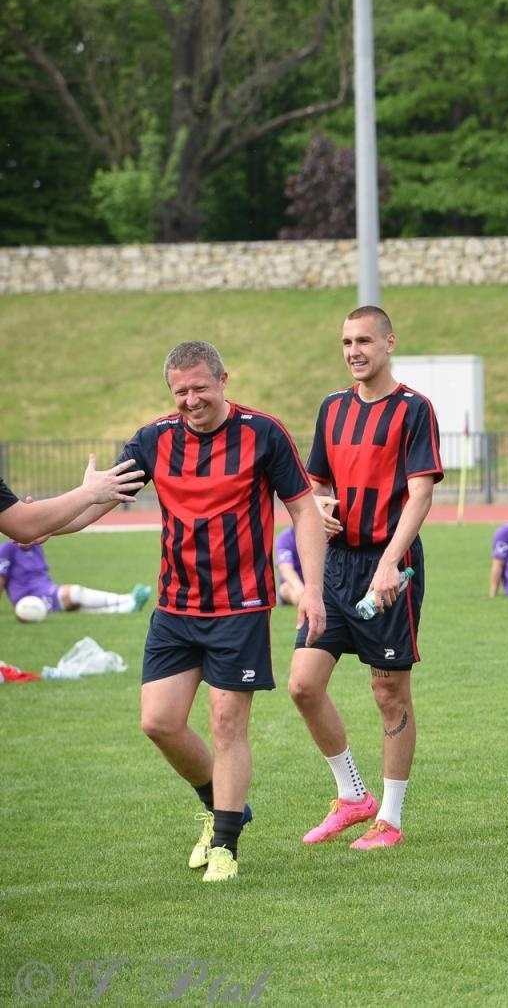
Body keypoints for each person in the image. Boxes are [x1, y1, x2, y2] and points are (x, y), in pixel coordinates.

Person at [56, 340, 328, 882]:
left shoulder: (263, 433)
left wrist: (313, 589)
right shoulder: (153, 440)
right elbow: (98, 500)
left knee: (227, 723)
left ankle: (225, 843)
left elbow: (303, 509)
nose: (191, 400)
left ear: (224, 379)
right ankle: (222, 804)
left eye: (201, 387)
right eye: (180, 391)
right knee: (158, 722)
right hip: (176, 607)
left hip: (240, 607)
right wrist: (38, 529)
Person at [288, 306, 442, 852]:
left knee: (388, 692)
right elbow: (314, 482)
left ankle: (391, 820)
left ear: (389, 344)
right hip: (335, 566)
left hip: (390, 566)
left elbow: (420, 493)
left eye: (364, 341)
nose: (354, 351)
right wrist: (322, 505)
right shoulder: (331, 408)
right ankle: (353, 796)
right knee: (303, 686)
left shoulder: (414, 410)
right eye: (346, 342)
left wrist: (387, 563)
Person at [1, 536, 152, 621]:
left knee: (76, 607)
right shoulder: (7, 549)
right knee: (74, 593)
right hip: (29, 598)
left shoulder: (36, 545)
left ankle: (125, 608)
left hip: (45, 589)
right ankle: (128, 599)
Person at [0, 461, 144, 545]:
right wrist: (89, 492)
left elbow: (94, 507)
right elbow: (24, 524)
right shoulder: (152, 437)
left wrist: (45, 523)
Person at [275, 526, 305, 607]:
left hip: (316, 586)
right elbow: (286, 569)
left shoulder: (321, 535)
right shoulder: (286, 538)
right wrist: (301, 590)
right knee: (285, 588)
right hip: (293, 586)